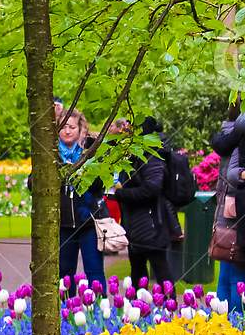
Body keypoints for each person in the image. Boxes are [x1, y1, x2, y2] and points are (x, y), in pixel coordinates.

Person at [113, 116, 175, 284]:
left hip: (151, 222)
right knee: (138, 270)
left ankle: (168, 309)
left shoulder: (152, 155)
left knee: (160, 270)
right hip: (135, 222)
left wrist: (121, 193)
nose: (126, 131)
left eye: (130, 128)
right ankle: (139, 309)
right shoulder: (134, 153)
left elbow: (152, 188)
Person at [58, 110, 105, 286]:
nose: (67, 131)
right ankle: (65, 311)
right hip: (62, 224)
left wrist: (83, 173)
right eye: (63, 127)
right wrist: (60, 173)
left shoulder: (90, 153)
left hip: (88, 222)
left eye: (71, 127)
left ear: (79, 129)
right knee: (64, 272)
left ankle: (100, 311)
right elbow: (33, 184)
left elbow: (100, 185)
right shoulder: (49, 154)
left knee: (94, 271)